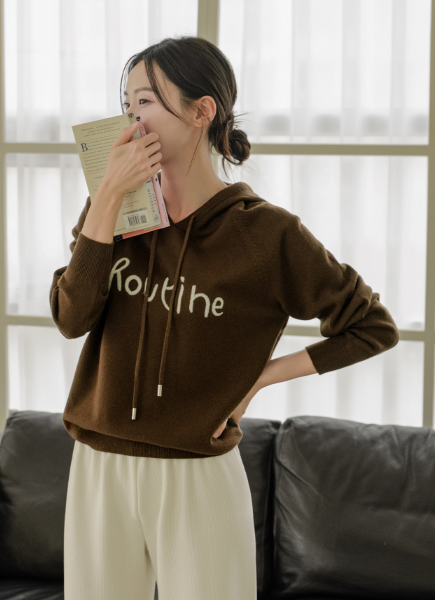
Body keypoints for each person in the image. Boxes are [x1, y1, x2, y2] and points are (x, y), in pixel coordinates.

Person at [51, 36, 399, 600]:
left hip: (198, 473)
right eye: (127, 104)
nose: (130, 120)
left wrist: (256, 380)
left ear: (201, 111)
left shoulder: (266, 234)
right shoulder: (112, 209)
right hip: (97, 465)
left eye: (146, 102)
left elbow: (372, 327)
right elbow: (71, 317)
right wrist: (108, 197)